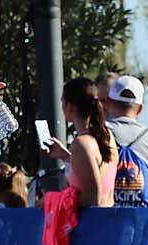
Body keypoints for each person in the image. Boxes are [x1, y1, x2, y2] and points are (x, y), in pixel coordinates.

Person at [100, 75, 148, 205]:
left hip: (106, 222)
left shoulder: (95, 136)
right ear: (140, 109)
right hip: (145, 223)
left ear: (107, 103)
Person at [43, 77, 118, 208]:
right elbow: (96, 171)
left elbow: (92, 198)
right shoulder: (106, 136)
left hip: (91, 226)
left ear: (69, 106)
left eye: (62, 101)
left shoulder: (81, 144)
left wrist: (52, 202)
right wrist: (66, 156)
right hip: (108, 222)